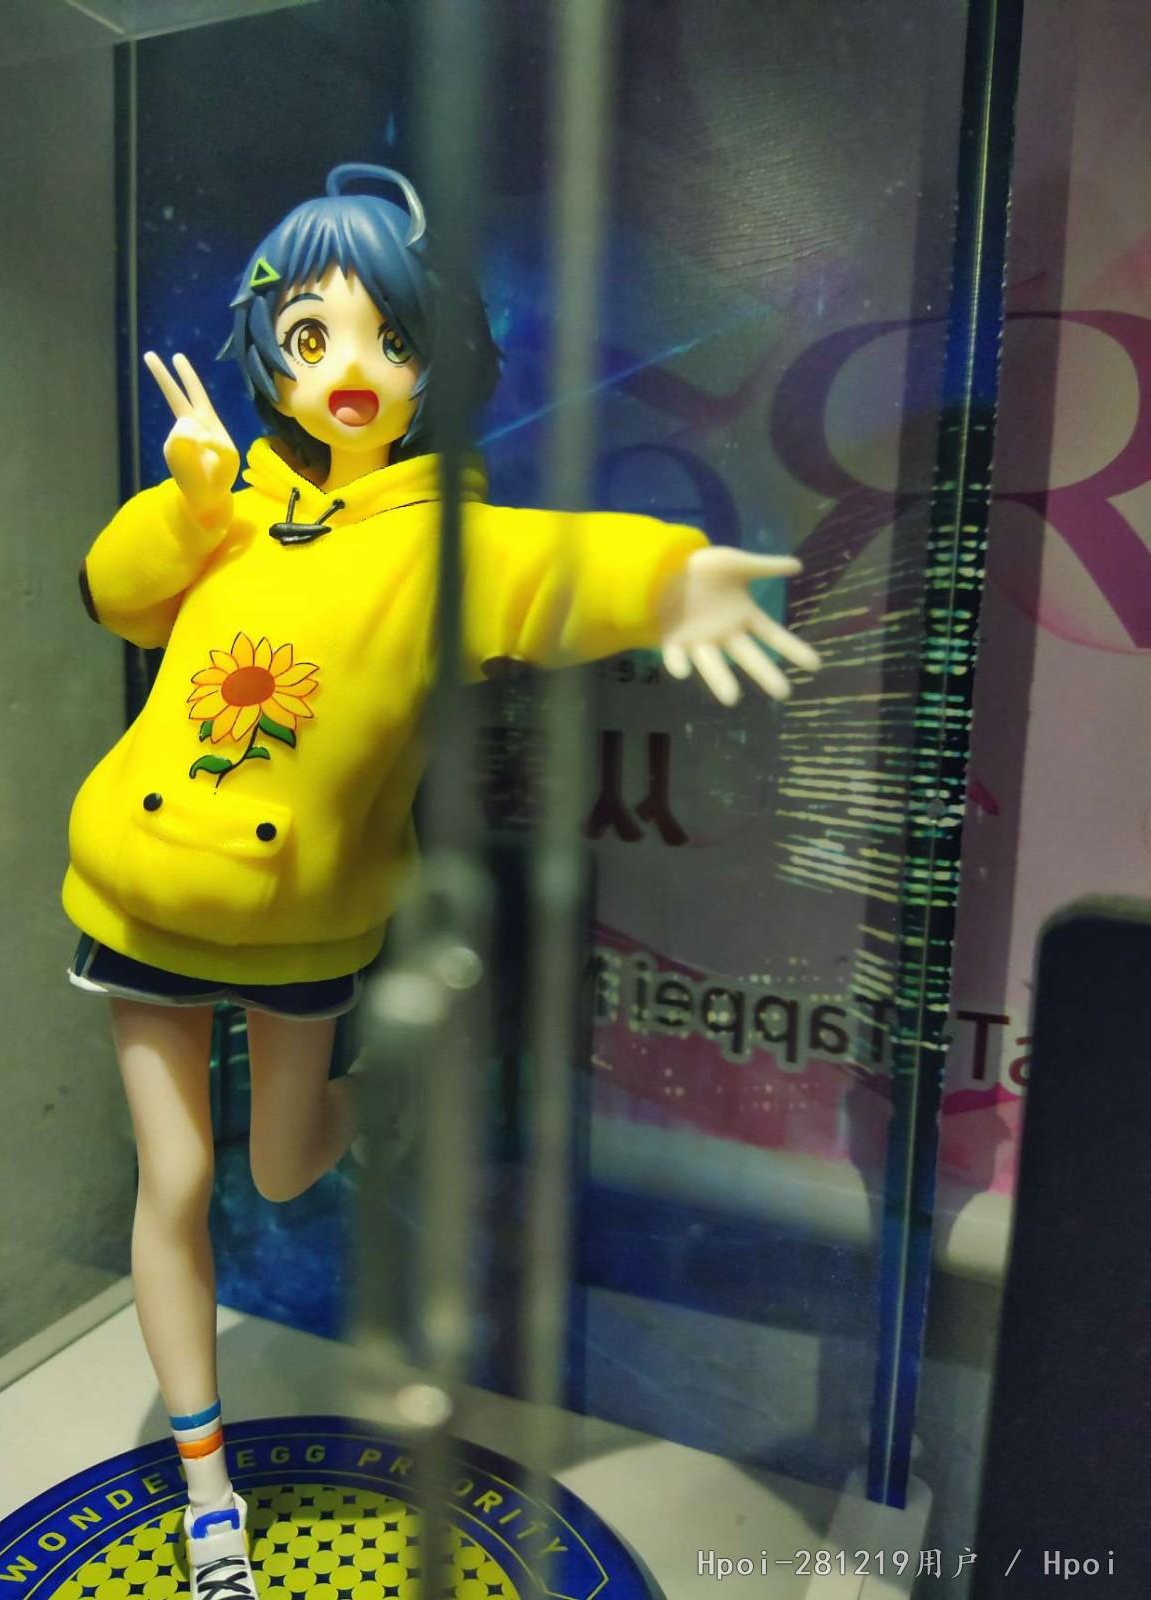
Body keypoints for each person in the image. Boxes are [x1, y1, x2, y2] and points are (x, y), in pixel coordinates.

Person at [63, 162, 819, 1599]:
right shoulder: (228, 507)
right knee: (179, 1177)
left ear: (435, 362)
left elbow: (547, 570)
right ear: (270, 351)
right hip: (137, 889)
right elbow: (117, 594)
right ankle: (207, 1488)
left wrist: (671, 581)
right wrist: (187, 500)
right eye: (312, 336)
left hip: (301, 923)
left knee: (282, 1165)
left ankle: (378, 1099)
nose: (351, 369)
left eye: (390, 338)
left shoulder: (440, 541)